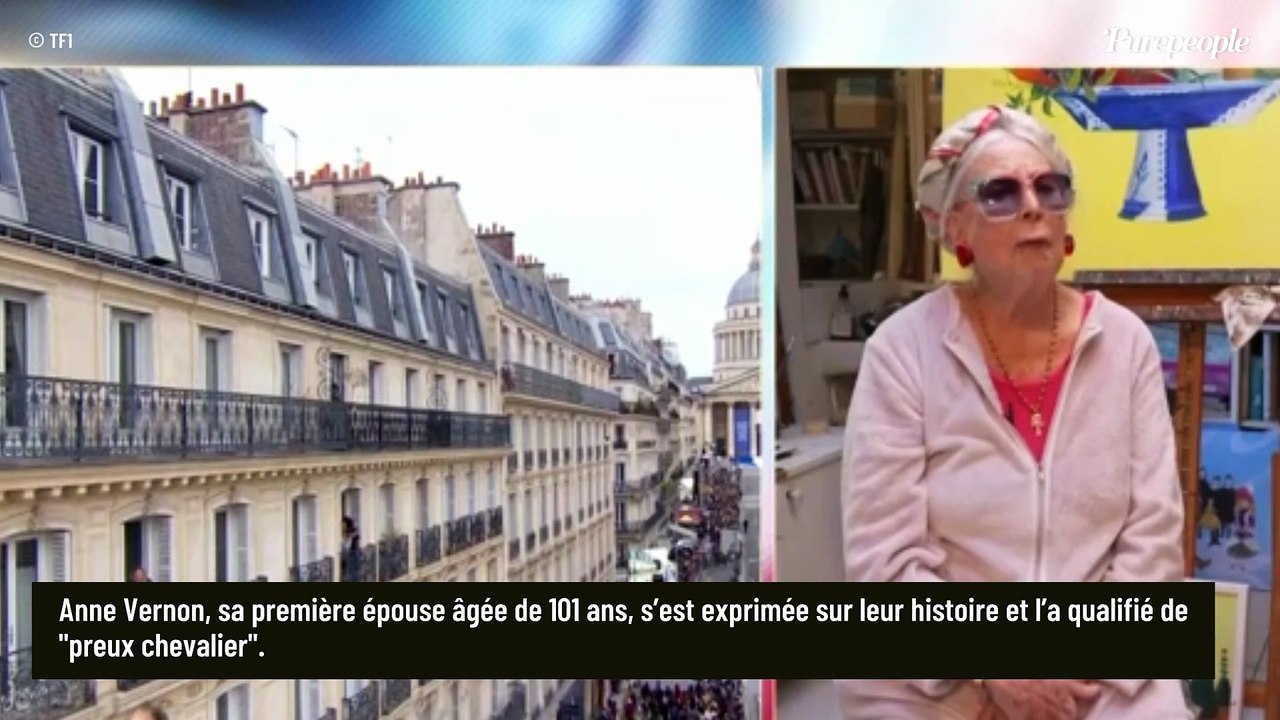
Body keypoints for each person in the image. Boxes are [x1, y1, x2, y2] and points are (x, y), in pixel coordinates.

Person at [839, 105, 1186, 720]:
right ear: (957, 229)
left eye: (1049, 188)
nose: (1033, 207)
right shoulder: (901, 350)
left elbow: (1153, 536)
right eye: (1000, 193)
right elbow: (884, 561)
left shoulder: (1125, 341)